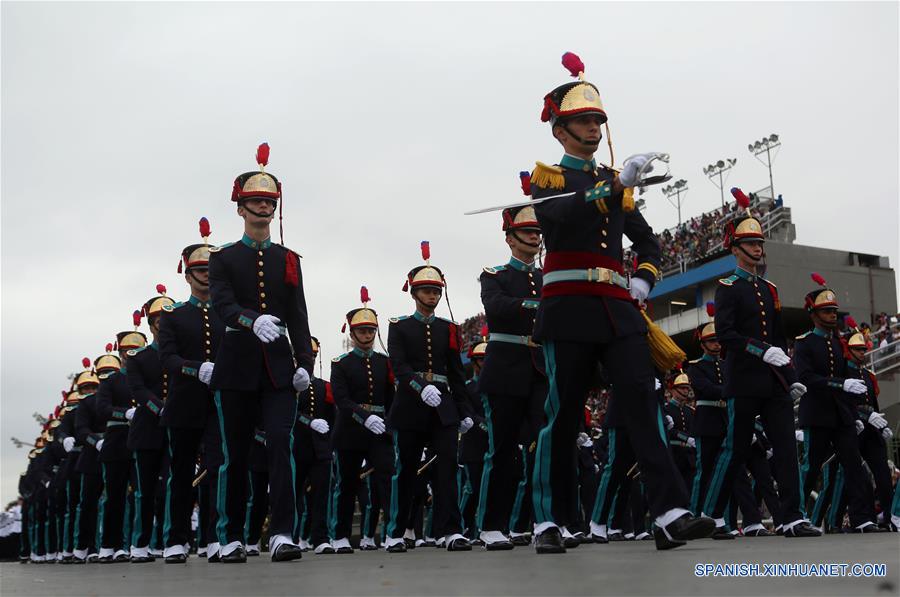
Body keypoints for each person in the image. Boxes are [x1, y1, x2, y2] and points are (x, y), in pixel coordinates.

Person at [528, 52, 713, 552]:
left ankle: (669, 512)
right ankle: (548, 519)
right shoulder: (548, 180)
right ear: (560, 131)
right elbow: (562, 219)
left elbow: (648, 243)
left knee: (643, 401)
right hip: (569, 306)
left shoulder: (615, 181)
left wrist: (645, 281)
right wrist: (615, 187)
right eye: (583, 120)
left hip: (616, 307)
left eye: (597, 120)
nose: (594, 127)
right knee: (563, 415)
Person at [208, 143, 314, 562]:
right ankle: (230, 536)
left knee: (281, 446)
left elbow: (299, 316)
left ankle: (283, 533)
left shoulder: (288, 259)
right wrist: (250, 321)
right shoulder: (223, 258)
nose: (264, 207)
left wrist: (305, 363)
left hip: (277, 369)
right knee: (234, 455)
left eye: (270, 202)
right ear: (241, 208)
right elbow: (222, 304)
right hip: (236, 365)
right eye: (256, 201)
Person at [703, 188, 818, 538]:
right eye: (750, 243)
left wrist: (790, 375)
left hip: (773, 383)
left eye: (759, 243)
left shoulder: (769, 289)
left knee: (785, 447)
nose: (757, 248)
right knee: (735, 450)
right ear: (735, 249)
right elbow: (726, 334)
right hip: (743, 380)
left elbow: (779, 338)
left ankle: (793, 516)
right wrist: (760, 350)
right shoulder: (727, 287)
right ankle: (712, 516)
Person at [384, 242, 473, 552]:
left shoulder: (449, 328)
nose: (432, 296)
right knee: (406, 470)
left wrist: (464, 410)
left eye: (436, 291)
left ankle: (452, 530)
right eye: (426, 290)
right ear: (414, 293)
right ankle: (396, 532)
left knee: (448, 468)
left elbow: (457, 375)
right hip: (411, 404)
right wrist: (421, 387)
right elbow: (399, 366)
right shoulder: (399, 327)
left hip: (443, 406)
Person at [477, 198, 548, 550]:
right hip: (505, 370)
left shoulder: (548, 278)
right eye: (526, 231)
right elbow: (497, 307)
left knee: (543, 447)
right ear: (510, 238)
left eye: (536, 231)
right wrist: (539, 304)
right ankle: (491, 525)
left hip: (540, 370)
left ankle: (544, 521)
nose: (534, 237)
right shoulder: (495, 276)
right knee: (502, 452)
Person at [158, 219, 226, 562]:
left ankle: (213, 538)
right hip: (184, 403)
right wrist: (195, 368)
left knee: (216, 468)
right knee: (182, 473)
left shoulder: (226, 314)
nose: (205, 275)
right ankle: (176, 539)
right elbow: (167, 358)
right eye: (199, 270)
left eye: (210, 270)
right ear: (187, 276)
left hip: (219, 403)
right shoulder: (173, 316)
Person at [794, 277, 881, 532]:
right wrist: (840, 384)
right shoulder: (804, 342)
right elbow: (805, 377)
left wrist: (853, 414)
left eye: (834, 310)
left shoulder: (838, 343)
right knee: (810, 468)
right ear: (813, 314)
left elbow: (847, 384)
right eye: (826, 311)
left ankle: (861, 518)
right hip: (817, 413)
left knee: (854, 465)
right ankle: (795, 516)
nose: (833, 315)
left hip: (841, 416)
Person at [330, 289, 395, 553]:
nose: (367, 336)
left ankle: (393, 533)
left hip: (380, 430)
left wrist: (389, 424)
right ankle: (340, 536)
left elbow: (391, 398)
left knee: (388, 479)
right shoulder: (341, 364)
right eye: (362, 331)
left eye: (371, 331)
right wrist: (365, 417)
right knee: (347, 484)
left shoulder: (385, 362)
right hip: (350, 430)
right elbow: (342, 400)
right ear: (353, 333)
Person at [127, 287, 175, 561]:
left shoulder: (180, 354)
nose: (164, 324)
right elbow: (138, 390)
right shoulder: (139, 358)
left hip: (176, 427)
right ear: (152, 324)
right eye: (159, 320)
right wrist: (161, 408)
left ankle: (172, 542)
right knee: (144, 492)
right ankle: (140, 544)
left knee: (172, 487)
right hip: (147, 430)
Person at [844, 328, 894, 527]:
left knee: (883, 475)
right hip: (854, 429)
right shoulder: (843, 372)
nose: (862, 353)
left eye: (864, 349)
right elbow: (845, 404)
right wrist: (865, 416)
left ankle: (890, 517)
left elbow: (874, 405)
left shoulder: (867, 374)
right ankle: (863, 519)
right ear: (849, 351)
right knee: (857, 478)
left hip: (872, 430)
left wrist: (882, 427)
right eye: (858, 349)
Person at [292, 337, 336, 555]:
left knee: (321, 495)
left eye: (313, 356)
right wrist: (309, 422)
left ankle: (320, 538)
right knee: (293, 496)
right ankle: (289, 537)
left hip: (320, 449)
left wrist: (330, 444)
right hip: (295, 447)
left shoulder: (323, 386)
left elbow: (332, 417)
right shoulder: (287, 384)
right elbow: (287, 413)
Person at [93, 344, 132, 563]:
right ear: (121, 354)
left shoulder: (149, 375)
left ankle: (139, 544)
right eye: (128, 350)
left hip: (144, 439)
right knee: (115, 497)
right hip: (117, 442)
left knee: (142, 497)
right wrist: (125, 413)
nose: (131, 354)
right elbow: (102, 409)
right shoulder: (111, 381)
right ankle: (111, 544)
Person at [459, 335, 488, 544]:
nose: (485, 363)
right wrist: (485, 425)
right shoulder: (467, 388)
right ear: (475, 362)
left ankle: (485, 529)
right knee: (474, 489)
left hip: (493, 444)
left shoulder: (497, 387)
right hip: (473, 445)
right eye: (481, 359)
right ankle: (462, 527)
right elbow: (468, 412)